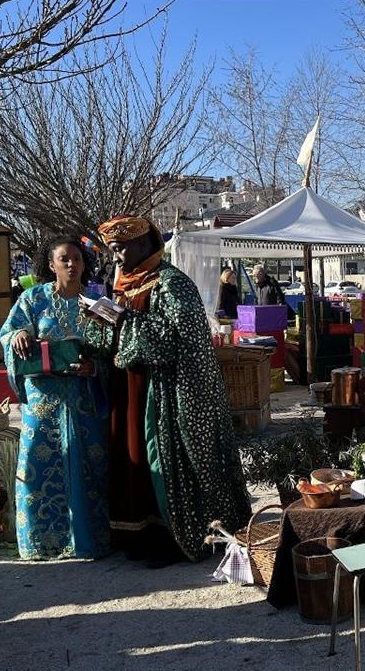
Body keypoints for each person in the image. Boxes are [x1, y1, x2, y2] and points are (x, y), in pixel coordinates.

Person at [84, 215, 251, 568]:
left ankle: (172, 537)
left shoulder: (171, 284)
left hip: (168, 394)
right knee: (135, 460)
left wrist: (123, 321)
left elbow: (180, 341)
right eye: (113, 250)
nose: (116, 257)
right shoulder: (122, 284)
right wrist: (101, 322)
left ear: (145, 244)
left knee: (163, 457)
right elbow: (115, 340)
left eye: (121, 248)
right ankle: (137, 535)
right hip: (131, 389)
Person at [0, 237, 110, 560]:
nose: (72, 265)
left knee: (91, 465)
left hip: (83, 398)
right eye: (65, 259)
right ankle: (42, 541)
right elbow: (8, 332)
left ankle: (92, 539)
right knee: (37, 463)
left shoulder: (95, 304)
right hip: (43, 401)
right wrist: (18, 335)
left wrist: (93, 367)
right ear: (51, 265)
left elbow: (108, 352)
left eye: (77, 259)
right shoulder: (33, 299)